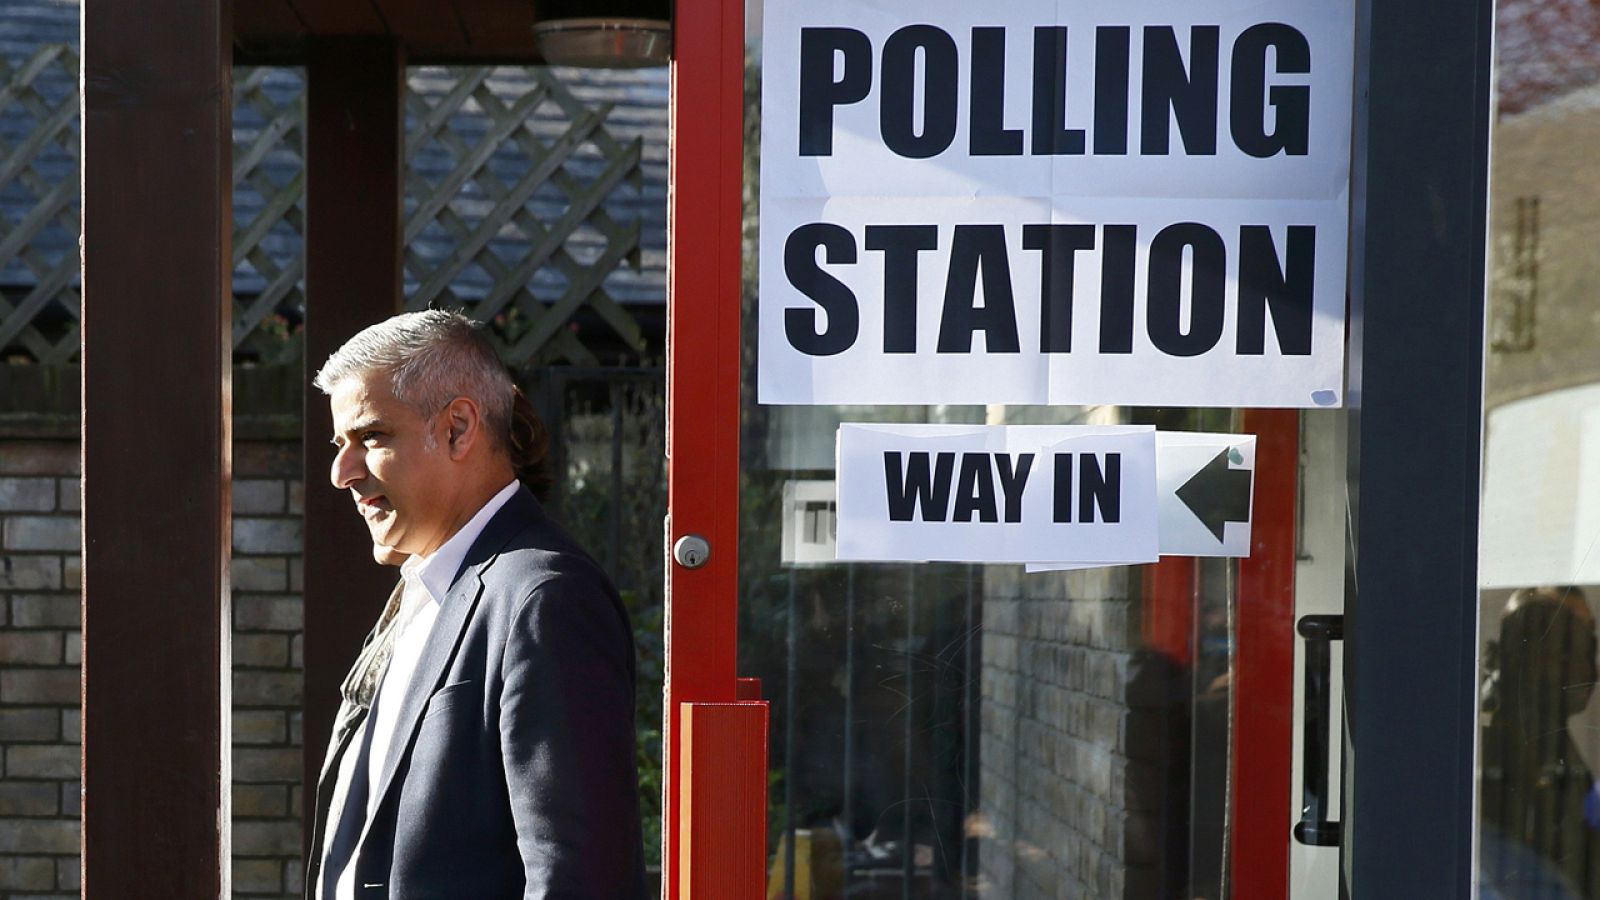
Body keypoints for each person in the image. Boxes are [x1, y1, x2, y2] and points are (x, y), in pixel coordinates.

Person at [303, 310, 644, 899]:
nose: (341, 472)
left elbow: (580, 878)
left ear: (459, 427)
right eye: (340, 444)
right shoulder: (432, 584)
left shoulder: (544, 598)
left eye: (372, 436)